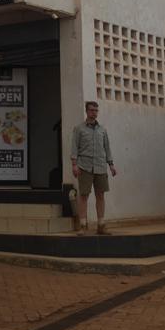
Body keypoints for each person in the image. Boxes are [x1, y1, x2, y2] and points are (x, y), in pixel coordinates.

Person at [70, 101, 116, 235]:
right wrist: (74, 165)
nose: (94, 113)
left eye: (96, 110)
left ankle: (101, 225)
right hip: (84, 166)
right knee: (84, 195)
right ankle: (83, 225)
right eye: (91, 110)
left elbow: (107, 148)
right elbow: (74, 147)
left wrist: (111, 165)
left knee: (100, 195)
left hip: (101, 166)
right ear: (86, 111)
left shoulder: (102, 130)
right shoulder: (79, 129)